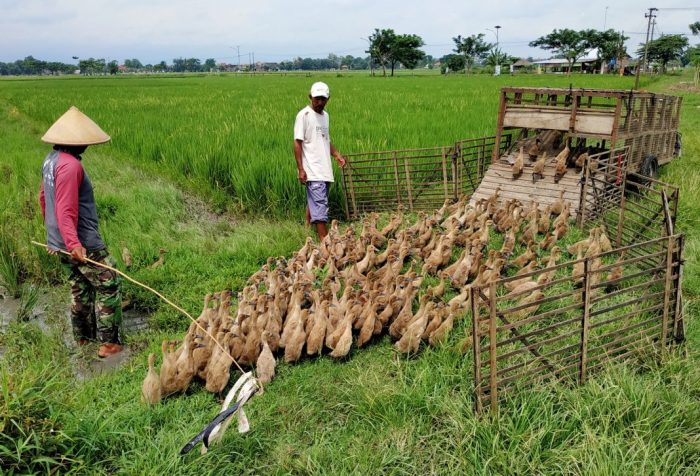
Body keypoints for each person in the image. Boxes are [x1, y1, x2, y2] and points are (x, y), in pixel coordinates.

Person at [39, 106, 124, 358]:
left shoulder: (50, 160)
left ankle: (83, 339)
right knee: (109, 282)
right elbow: (65, 209)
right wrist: (74, 243)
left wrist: (54, 238)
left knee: (79, 287)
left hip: (60, 241)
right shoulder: (71, 166)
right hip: (82, 241)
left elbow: (44, 198)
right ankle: (109, 344)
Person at [293, 81, 346, 241]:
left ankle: (307, 231)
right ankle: (325, 241)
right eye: (317, 99)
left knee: (315, 201)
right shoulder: (304, 115)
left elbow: (325, 140)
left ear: (328, 99)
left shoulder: (326, 116)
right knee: (320, 204)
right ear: (310, 97)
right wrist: (301, 169)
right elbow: (297, 142)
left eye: (323, 99)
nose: (320, 102)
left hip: (325, 169)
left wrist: (337, 155)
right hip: (312, 169)